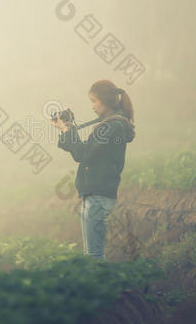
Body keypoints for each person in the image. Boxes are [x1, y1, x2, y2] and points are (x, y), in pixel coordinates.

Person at [50, 80, 136, 261]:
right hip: (95, 194)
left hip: (98, 195)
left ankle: (103, 287)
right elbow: (83, 153)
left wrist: (66, 129)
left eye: (94, 101)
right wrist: (68, 128)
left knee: (94, 255)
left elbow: (82, 153)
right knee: (91, 254)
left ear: (106, 101)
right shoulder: (110, 125)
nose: (92, 106)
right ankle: (99, 285)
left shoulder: (111, 126)